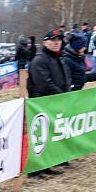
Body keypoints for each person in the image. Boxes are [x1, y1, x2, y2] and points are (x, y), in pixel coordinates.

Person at [27, 29, 70, 179]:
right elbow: (44, 83)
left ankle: (46, 165)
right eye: (53, 40)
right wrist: (62, 95)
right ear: (45, 42)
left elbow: (64, 79)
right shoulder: (40, 59)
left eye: (59, 40)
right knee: (39, 138)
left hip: (54, 103)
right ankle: (34, 170)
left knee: (50, 136)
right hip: (41, 104)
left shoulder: (58, 57)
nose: (57, 42)